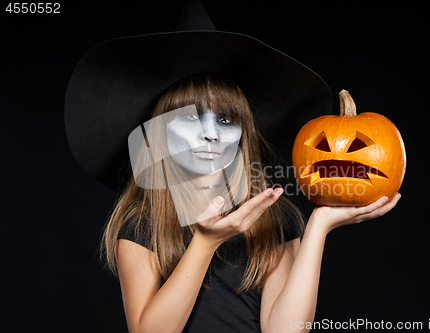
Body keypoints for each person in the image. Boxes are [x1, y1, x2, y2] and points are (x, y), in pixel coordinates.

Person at [99, 74, 401, 333]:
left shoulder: (275, 219)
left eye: (225, 119)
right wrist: (205, 243)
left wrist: (318, 228)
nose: (210, 134)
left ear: (243, 133)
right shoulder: (141, 222)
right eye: (190, 117)